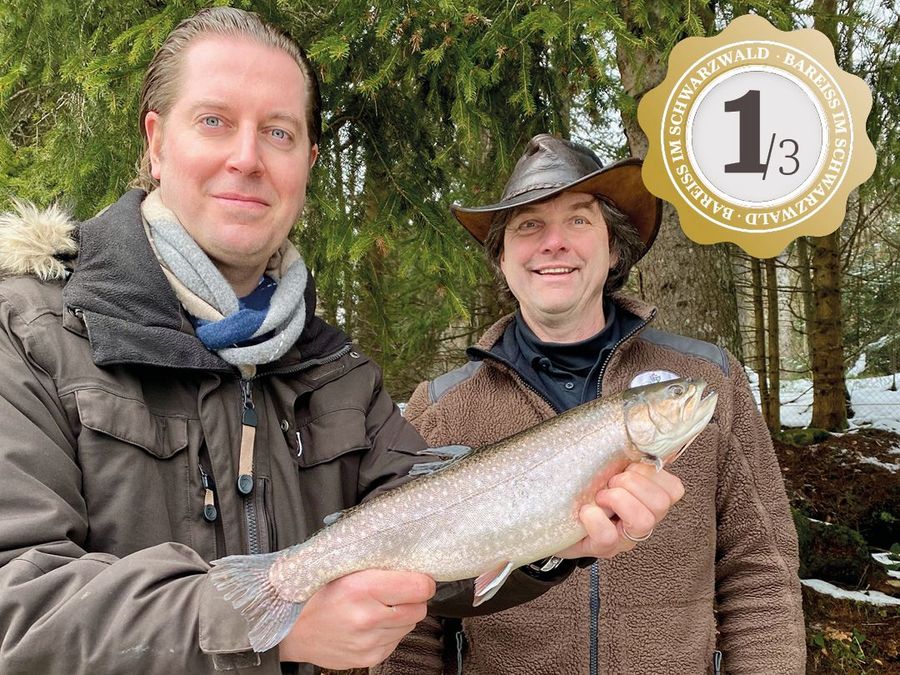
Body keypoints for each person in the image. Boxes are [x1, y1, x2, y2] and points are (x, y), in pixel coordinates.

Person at [0, 11, 685, 675]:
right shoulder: (31, 334)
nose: (246, 158)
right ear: (156, 142)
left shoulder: (338, 373)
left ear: (307, 163)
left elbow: (439, 536)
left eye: (278, 132)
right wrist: (266, 623)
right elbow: (15, 607)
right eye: (214, 121)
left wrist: (555, 531)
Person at [375, 134, 806, 675]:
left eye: (579, 220)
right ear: (502, 258)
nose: (554, 242)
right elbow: (408, 617)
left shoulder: (707, 379)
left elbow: (761, 573)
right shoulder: (442, 408)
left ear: (614, 248)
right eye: (528, 225)